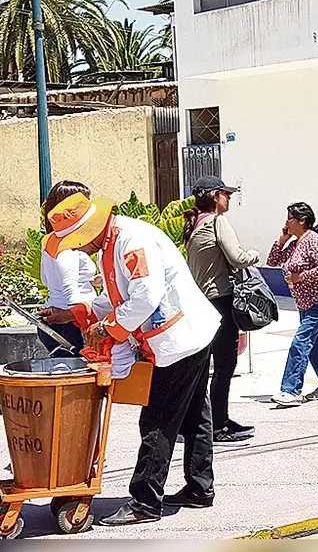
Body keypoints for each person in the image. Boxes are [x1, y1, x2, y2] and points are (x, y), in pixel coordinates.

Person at [39, 192, 221, 525]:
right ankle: (199, 488)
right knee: (194, 414)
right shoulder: (113, 244)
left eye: (77, 242)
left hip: (179, 339)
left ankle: (145, 502)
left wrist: (108, 329)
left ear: (90, 230)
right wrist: (75, 314)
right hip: (187, 334)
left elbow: (144, 297)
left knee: (157, 420)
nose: (77, 249)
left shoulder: (132, 241)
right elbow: (114, 295)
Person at [182, 176, 260, 444]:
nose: (229, 198)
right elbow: (237, 258)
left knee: (206, 366)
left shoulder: (194, 223)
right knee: (226, 364)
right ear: (216, 197)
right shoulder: (217, 222)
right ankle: (217, 425)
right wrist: (254, 254)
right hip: (220, 300)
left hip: (201, 302)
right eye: (226, 194)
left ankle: (214, 418)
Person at [267, 202, 318, 406]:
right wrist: (281, 240)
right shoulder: (295, 243)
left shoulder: (313, 240)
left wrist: (300, 277)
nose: (286, 222)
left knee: (300, 342)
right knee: (316, 345)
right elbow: (272, 261)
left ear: (302, 220)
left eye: (290, 218)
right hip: (305, 304)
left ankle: (291, 390)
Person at [37, 180, 97, 354]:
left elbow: (46, 279)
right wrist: (82, 322)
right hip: (69, 324)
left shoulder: (49, 240)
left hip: (56, 318)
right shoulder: (68, 242)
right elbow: (70, 287)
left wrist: (90, 281)